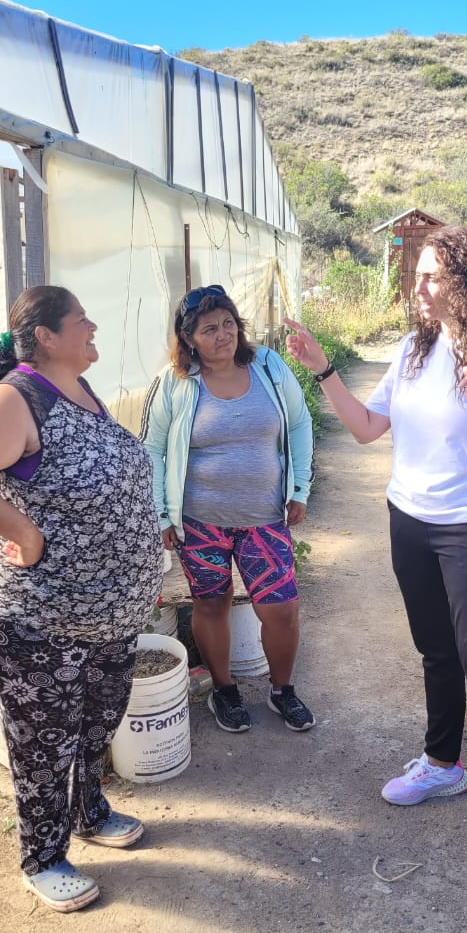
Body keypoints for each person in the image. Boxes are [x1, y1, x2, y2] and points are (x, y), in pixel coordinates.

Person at [285, 226, 467, 890]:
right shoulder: (414, 346)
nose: (420, 286)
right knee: (436, 651)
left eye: (434, 276)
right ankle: (444, 765)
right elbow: (366, 428)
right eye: (419, 274)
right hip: (409, 517)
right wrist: (323, 367)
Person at [0, 285, 162, 913]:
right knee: (43, 742)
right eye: (81, 321)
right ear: (46, 337)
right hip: (33, 614)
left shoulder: (80, 391)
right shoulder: (19, 397)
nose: (93, 328)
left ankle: (87, 811)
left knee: (96, 724)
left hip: (103, 614)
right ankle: (42, 856)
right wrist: (22, 532)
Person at [140, 285, 316, 733]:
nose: (223, 335)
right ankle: (224, 689)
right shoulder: (175, 384)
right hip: (200, 523)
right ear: (189, 339)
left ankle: (282, 691)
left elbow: (298, 422)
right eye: (209, 329)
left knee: (281, 608)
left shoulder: (269, 368)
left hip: (264, 519)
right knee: (211, 603)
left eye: (228, 324)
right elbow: (153, 449)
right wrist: (162, 514)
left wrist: (300, 488)